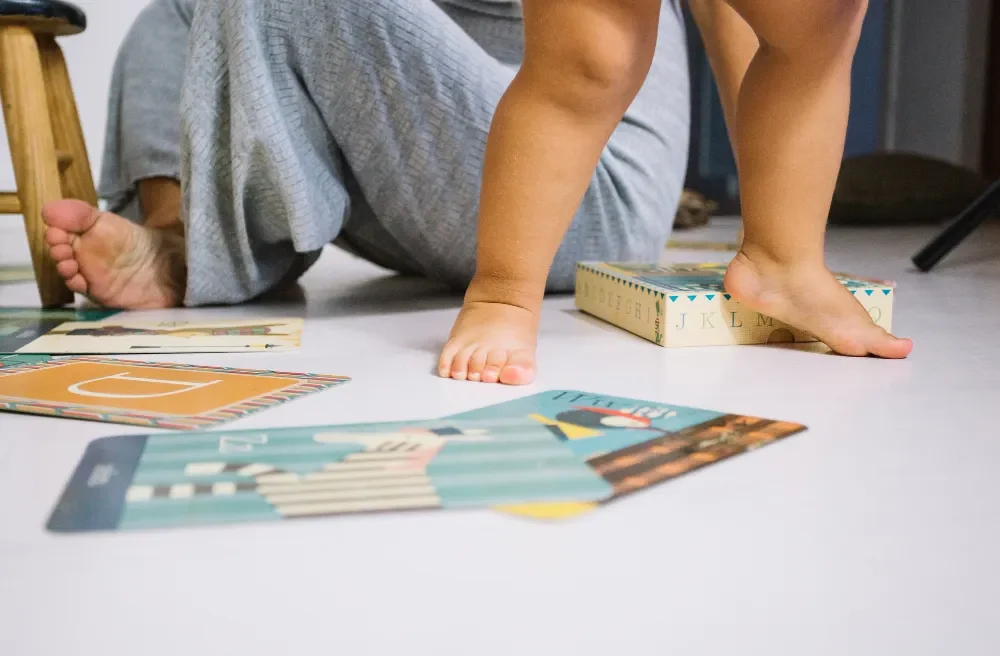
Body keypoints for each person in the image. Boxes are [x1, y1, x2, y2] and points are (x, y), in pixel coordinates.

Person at [42, 0, 911, 388]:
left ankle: (782, 260)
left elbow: (733, 19)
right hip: (478, 170)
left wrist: (772, 232)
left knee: (815, 17)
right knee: (182, 13)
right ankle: (188, 237)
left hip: (594, 191)